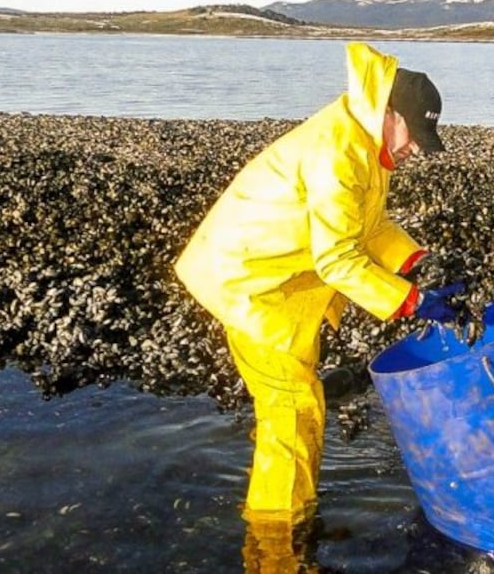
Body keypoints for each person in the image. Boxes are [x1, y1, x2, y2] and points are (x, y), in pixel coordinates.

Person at [173, 42, 464, 529]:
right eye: (414, 135)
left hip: (278, 280)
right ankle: (276, 541)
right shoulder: (338, 154)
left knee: (289, 410)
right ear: (388, 113)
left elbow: (366, 225)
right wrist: (410, 302)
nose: (415, 148)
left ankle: (276, 481)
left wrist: (416, 263)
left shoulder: (362, 141)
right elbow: (338, 259)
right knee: (293, 411)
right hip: (250, 284)